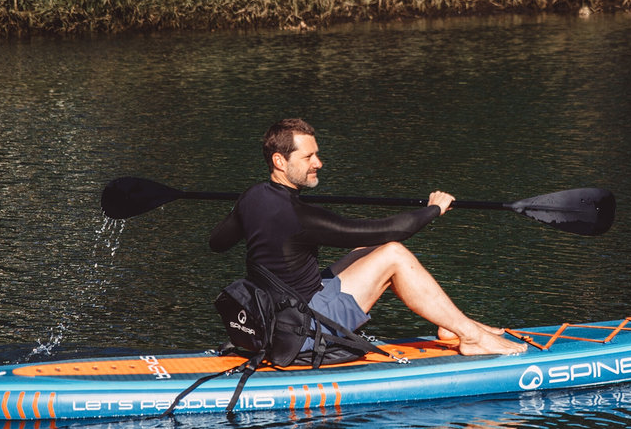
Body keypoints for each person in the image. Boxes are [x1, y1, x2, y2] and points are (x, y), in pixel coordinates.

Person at [209, 118, 526, 357]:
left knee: (372, 250)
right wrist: (433, 210)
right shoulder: (300, 216)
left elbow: (218, 243)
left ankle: (452, 323)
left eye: (316, 154)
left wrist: (246, 214)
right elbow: (390, 230)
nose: (318, 163)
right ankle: (470, 337)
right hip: (301, 326)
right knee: (394, 254)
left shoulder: (251, 197)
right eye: (308, 158)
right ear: (280, 161)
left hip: (275, 312)